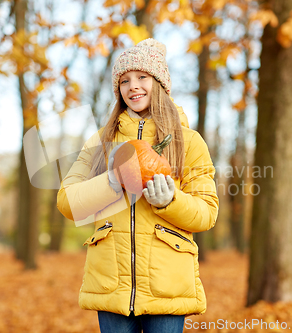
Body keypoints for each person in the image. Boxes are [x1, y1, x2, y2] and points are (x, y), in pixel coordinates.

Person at [57, 38, 219, 333]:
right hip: (111, 283)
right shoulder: (100, 143)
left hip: (167, 284)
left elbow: (207, 212)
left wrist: (171, 201)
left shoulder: (189, 141)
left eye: (142, 77)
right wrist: (110, 182)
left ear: (159, 83)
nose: (133, 86)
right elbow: (68, 201)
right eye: (124, 81)